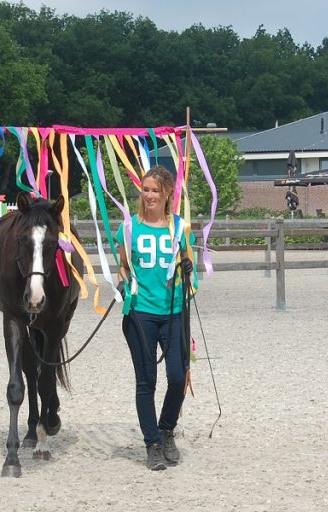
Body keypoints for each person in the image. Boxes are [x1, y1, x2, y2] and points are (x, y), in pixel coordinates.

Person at [115, 166, 197, 471]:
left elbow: (188, 262)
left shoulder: (179, 228)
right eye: (146, 189)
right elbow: (123, 266)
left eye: (155, 191)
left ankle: (166, 429)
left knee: (177, 376)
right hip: (141, 314)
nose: (149, 196)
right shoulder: (129, 228)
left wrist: (188, 270)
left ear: (167, 194)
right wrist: (124, 283)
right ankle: (152, 444)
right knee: (146, 380)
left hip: (173, 313)